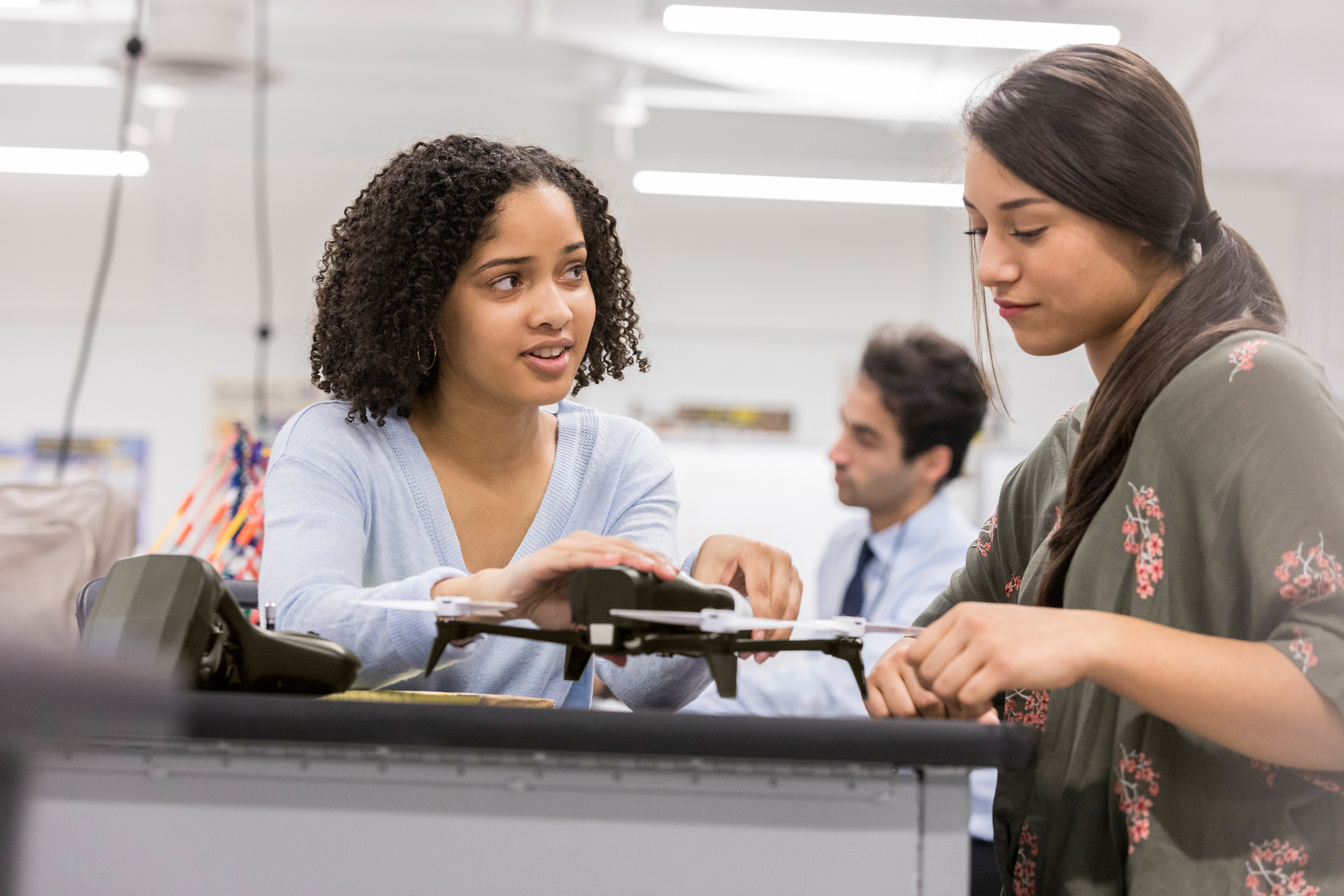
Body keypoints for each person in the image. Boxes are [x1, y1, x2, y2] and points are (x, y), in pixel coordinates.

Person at [864, 45, 1344, 894]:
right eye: (980, 229)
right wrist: (914, 677)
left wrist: (1094, 641)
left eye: (1029, 228)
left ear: (1141, 212)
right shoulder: (1065, 453)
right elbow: (936, 645)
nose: (990, 267)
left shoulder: (1259, 390)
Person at [260, 136, 801, 710]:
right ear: (425, 308)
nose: (556, 311)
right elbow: (301, 630)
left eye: (573, 271)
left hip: (541, 793)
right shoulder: (335, 446)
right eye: (508, 281)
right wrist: (486, 598)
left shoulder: (621, 461)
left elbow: (643, 682)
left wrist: (704, 599)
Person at [682, 325, 1000, 891]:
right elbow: (824, 673)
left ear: (931, 463)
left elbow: (854, 695)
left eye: (865, 438)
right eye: (843, 425)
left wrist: (682, 677)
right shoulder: (846, 548)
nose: (836, 451)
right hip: (877, 807)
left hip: (955, 836)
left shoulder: (959, 566)